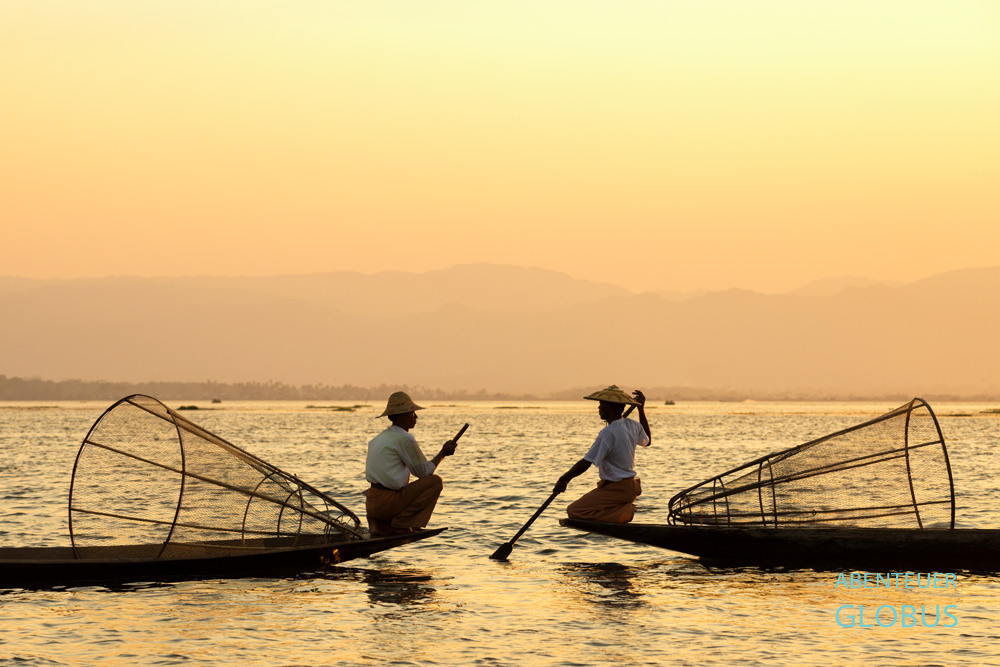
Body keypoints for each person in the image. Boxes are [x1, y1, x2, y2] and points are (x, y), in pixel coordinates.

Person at [364, 391, 458, 536]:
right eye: (412, 413)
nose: (416, 417)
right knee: (435, 482)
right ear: (402, 416)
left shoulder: (378, 438)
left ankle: (380, 524)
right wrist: (443, 453)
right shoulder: (405, 438)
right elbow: (423, 473)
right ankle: (401, 524)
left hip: (371, 505)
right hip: (387, 503)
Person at [553, 385, 651, 523]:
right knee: (582, 508)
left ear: (609, 407)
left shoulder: (608, 433)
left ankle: (624, 512)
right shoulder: (632, 425)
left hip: (619, 488)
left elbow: (586, 462)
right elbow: (648, 440)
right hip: (628, 487)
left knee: (574, 511)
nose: (599, 408)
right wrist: (641, 409)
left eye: (601, 404)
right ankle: (620, 510)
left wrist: (564, 478)